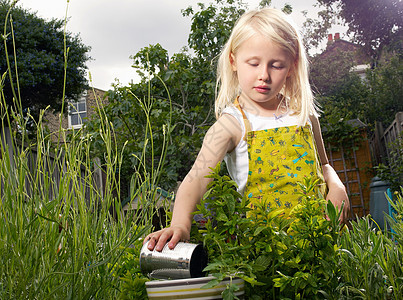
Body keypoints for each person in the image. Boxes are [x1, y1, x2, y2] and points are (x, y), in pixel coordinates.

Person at [145, 7, 350, 252]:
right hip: (265, 255)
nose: (264, 75)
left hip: (322, 244)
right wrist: (180, 223)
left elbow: (324, 165)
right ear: (233, 61)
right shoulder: (231, 123)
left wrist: (337, 187)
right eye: (253, 63)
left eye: (276, 65)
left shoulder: (304, 115)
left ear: (293, 66)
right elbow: (197, 178)